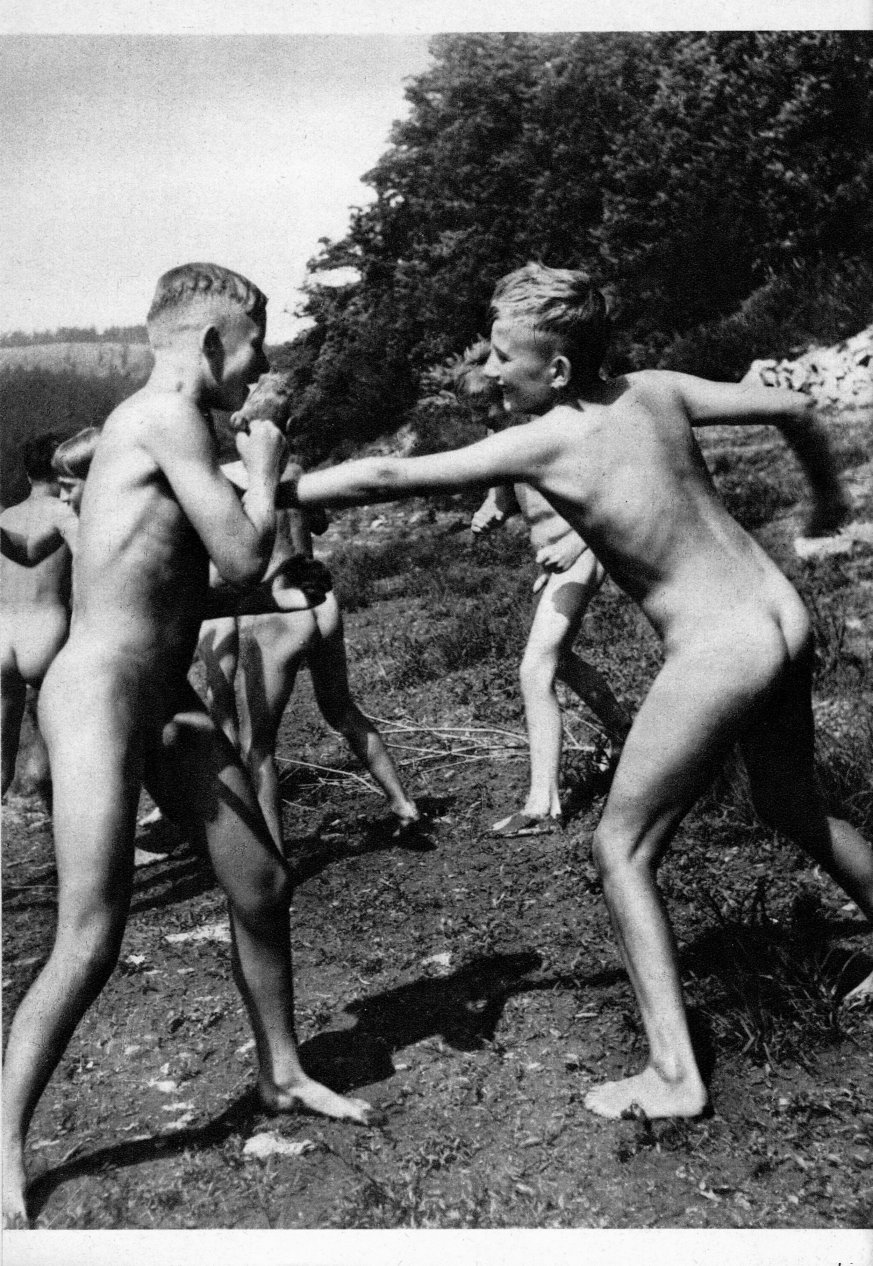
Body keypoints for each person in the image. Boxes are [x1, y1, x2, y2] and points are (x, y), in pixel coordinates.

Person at [274, 261, 872, 1120]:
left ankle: (674, 1076)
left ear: (555, 369)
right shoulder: (655, 389)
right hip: (781, 613)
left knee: (619, 850)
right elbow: (797, 407)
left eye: (501, 356)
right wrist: (826, 503)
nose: (489, 371)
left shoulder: (547, 438)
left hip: (720, 646)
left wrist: (268, 489)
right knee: (790, 803)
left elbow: (384, 478)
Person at [1, 263, 371, 1230]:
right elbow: (242, 550)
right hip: (97, 698)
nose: (262, 365)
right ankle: (1, 1143)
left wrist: (269, 589)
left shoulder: (152, 427)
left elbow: (163, 585)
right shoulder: (167, 417)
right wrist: (268, 464)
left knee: (262, 883)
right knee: (90, 933)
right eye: (256, 345)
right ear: (212, 343)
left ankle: (281, 1074)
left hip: (157, 693)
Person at [455, 341, 630, 836]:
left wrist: (575, 543)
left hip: (584, 552)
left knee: (535, 670)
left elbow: (610, 498)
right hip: (552, 563)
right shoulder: (505, 440)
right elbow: (504, 500)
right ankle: (625, 733)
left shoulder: (554, 431)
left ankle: (542, 806)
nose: (487, 421)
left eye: (490, 409)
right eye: (478, 415)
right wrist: (488, 513)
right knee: (561, 660)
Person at [198, 495, 420, 852]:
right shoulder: (296, 475)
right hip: (319, 598)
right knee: (341, 709)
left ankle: (275, 858)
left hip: (277, 606)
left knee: (258, 746)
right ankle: (402, 803)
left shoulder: (229, 488)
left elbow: (220, 571)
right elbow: (320, 524)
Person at [0, 433, 78, 798]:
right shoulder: (65, 512)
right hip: (47, 632)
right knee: (65, 750)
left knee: (2, 759)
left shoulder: (7, 517)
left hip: (3, 634)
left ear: (28, 474)